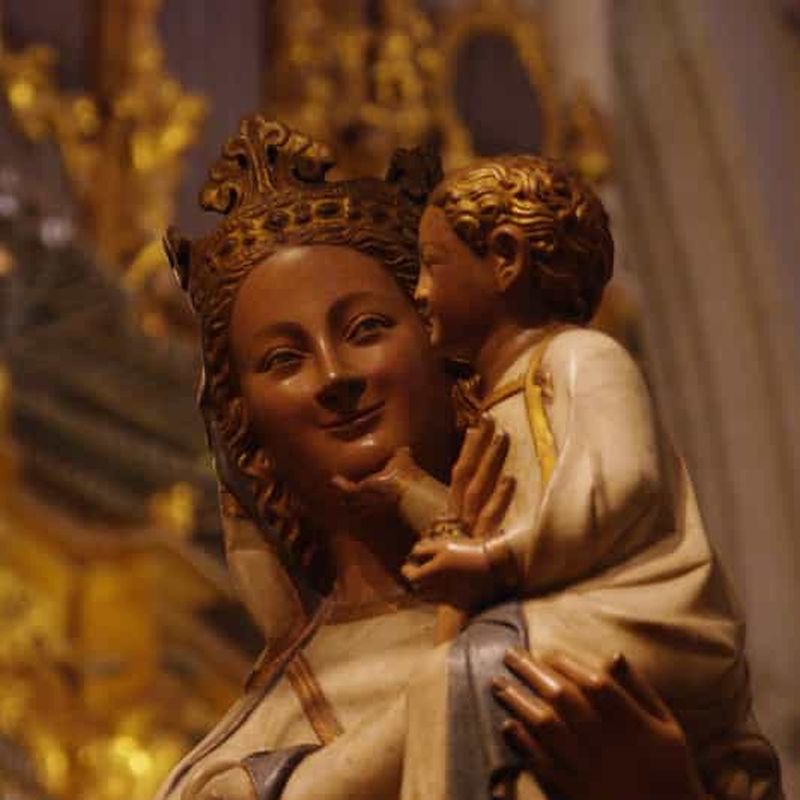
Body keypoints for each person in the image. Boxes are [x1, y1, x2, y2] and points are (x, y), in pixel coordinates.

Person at [153, 117, 780, 800]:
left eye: (366, 328)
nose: (335, 376)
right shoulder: (242, 764)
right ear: (247, 432)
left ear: (442, 341)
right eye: (283, 359)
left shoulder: (603, 612)